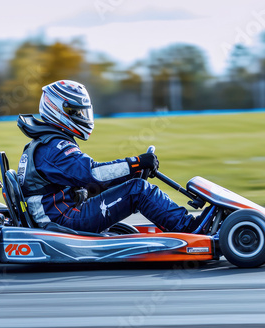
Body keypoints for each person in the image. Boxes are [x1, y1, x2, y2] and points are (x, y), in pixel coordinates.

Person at [17, 80, 206, 233]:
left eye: (83, 111)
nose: (82, 116)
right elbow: (93, 174)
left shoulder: (47, 143)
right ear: (58, 110)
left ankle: (182, 225)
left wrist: (131, 172)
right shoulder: (54, 147)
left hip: (64, 212)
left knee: (132, 184)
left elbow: (89, 184)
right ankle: (189, 228)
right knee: (138, 190)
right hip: (64, 220)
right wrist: (135, 163)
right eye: (76, 112)